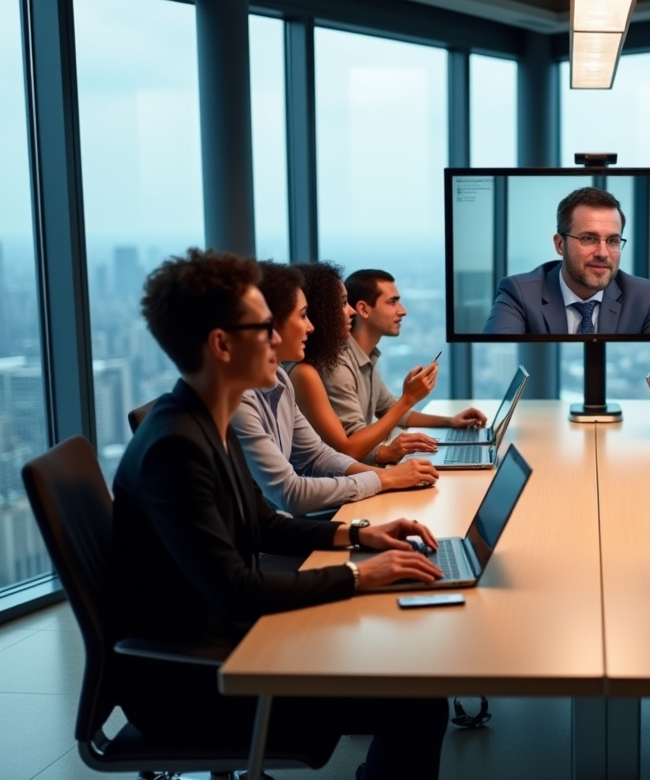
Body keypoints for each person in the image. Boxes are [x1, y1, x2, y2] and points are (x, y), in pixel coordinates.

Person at [112, 248, 449, 780]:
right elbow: (236, 589)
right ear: (222, 345)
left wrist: (360, 535)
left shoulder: (205, 419)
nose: (284, 337)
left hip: (230, 643)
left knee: (406, 671)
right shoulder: (176, 448)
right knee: (418, 701)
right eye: (264, 327)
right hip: (196, 683)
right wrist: (360, 576)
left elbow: (264, 524)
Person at [232, 261, 439, 516]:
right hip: (291, 521)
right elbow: (295, 490)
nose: (310, 326)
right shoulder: (276, 385)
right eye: (303, 315)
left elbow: (317, 455)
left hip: (295, 517)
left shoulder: (281, 380)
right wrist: (384, 477)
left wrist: (388, 476)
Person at [290, 263, 483, 465]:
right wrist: (408, 400)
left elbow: (389, 408)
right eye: (392, 302)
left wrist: (450, 421)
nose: (403, 311)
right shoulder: (330, 366)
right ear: (363, 309)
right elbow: (349, 448)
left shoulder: (363, 356)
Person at [481, 186, 650, 335]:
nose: (603, 253)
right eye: (589, 238)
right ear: (560, 244)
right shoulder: (520, 294)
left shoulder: (644, 296)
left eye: (613, 240)